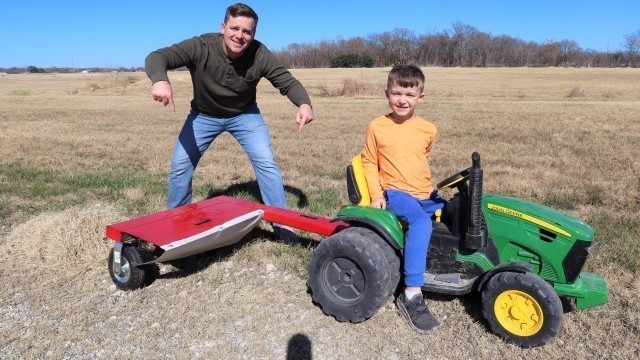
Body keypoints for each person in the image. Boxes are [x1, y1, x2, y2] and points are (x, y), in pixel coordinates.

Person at [145, 3, 313, 244]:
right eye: (234, 28)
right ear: (223, 27)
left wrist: (304, 104)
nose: (240, 36)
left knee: (266, 162)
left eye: (247, 32)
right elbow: (157, 56)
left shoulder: (260, 53)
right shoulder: (201, 46)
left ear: (253, 34)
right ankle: (177, 223)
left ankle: (283, 225)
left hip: (244, 115)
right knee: (180, 165)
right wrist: (160, 80)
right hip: (203, 116)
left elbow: (287, 81)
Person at [360, 64, 444, 334]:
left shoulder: (429, 129)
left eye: (409, 94)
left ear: (421, 97)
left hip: (424, 192)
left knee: (458, 214)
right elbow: (369, 161)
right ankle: (411, 295)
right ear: (387, 93)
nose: (402, 100)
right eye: (397, 93)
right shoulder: (377, 126)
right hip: (396, 193)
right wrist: (376, 195)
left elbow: (422, 156)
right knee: (420, 223)